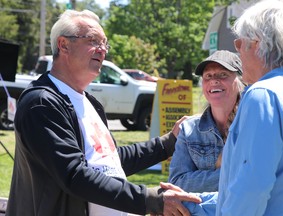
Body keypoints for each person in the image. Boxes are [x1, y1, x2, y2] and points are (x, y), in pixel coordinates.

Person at [5, 9, 201, 216]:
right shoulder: (42, 103)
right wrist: (150, 199)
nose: (102, 50)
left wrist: (169, 142)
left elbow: (110, 163)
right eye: (93, 41)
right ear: (63, 45)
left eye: (104, 44)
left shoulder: (89, 102)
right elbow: (74, 175)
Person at [162, 0, 283, 215]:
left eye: (240, 41)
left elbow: (251, 188)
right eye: (207, 77)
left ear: (258, 43)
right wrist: (194, 202)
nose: (237, 47)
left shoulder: (262, 95)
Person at [168, 50, 245, 193]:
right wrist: (234, 176)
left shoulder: (253, 124)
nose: (214, 80)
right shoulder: (189, 129)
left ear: (240, 81)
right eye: (208, 76)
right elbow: (177, 183)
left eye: (223, 74)